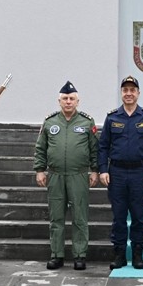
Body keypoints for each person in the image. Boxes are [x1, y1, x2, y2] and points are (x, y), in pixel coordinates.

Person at [97, 75, 143, 270]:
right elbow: (103, 147)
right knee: (119, 216)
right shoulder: (112, 117)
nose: (129, 93)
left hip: (139, 172)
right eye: (125, 90)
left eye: (133, 90)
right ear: (121, 93)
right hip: (116, 173)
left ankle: (138, 255)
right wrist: (103, 170)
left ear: (138, 93)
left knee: (139, 216)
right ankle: (119, 255)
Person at [33, 81, 98, 270]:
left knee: (80, 217)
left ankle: (79, 255)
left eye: (71, 99)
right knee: (56, 217)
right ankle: (57, 255)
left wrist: (94, 170)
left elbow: (94, 148)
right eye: (65, 99)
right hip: (55, 175)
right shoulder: (50, 121)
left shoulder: (87, 122)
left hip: (78, 175)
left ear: (78, 101)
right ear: (59, 101)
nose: (68, 102)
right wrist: (39, 170)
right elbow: (40, 147)